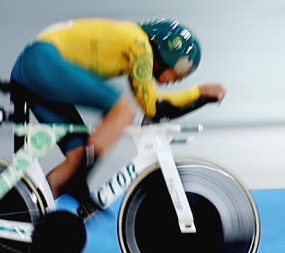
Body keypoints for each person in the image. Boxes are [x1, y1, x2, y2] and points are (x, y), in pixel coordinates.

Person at [14, 16, 220, 205]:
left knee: (77, 156)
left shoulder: (136, 51)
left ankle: (28, 212)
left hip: (36, 63)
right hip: (41, 60)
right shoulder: (140, 46)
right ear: (168, 51)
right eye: (184, 68)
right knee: (123, 110)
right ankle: (80, 182)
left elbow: (152, 106)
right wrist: (199, 93)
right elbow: (153, 106)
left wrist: (199, 96)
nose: (181, 78)